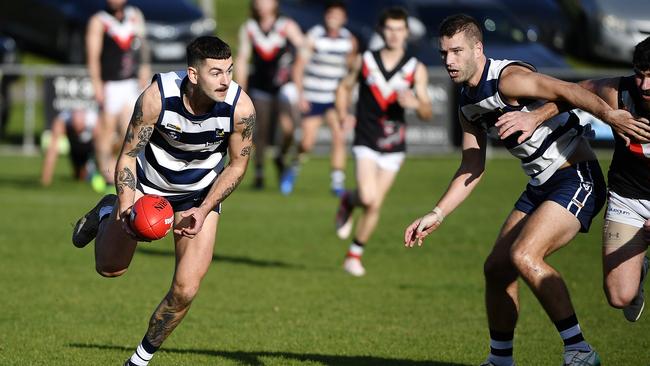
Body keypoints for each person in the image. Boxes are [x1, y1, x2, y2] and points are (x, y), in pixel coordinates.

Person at [403, 14, 650, 366]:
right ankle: (500, 359)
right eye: (444, 53)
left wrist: (605, 116)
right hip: (541, 185)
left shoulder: (509, 80)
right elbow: (472, 166)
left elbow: (569, 90)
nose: (449, 61)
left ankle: (579, 350)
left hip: (577, 176)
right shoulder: (466, 104)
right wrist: (437, 212)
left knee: (524, 255)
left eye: (457, 51)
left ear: (478, 49)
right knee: (497, 269)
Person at [71, 36, 255, 366]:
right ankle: (108, 209)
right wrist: (128, 205)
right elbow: (128, 155)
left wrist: (204, 208)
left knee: (185, 289)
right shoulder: (158, 97)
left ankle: (138, 361)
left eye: (229, 71)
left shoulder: (241, 109)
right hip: (147, 188)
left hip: (199, 194)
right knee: (110, 269)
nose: (225, 80)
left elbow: (238, 165)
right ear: (193, 74)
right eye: (216, 72)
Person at [509, 37, 650, 323]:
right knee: (619, 296)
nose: (644, 86)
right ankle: (639, 272)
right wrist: (537, 116)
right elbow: (575, 92)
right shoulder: (619, 92)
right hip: (629, 198)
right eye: (640, 75)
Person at [335, 7, 432, 277]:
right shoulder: (365, 60)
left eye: (399, 29)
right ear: (381, 31)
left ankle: (354, 255)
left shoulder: (416, 68)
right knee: (367, 197)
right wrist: (344, 115)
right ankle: (348, 199)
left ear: (406, 33)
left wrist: (416, 103)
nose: (394, 35)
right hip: (366, 137)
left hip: (394, 144)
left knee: (375, 203)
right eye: (389, 29)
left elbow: (427, 111)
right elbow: (344, 87)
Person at [279, 0, 358, 196]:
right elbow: (298, 67)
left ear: (344, 18)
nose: (333, 18)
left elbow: (351, 72)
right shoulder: (314, 36)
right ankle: (293, 168)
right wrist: (301, 95)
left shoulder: (349, 41)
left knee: (339, 136)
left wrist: (346, 100)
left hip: (334, 98)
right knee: (307, 142)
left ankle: (337, 183)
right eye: (330, 14)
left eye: (337, 15)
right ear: (325, 16)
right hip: (314, 95)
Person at [234, 0, 303, 189]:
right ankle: (259, 172)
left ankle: (280, 156)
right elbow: (242, 59)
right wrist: (241, 90)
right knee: (259, 132)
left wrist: (297, 70)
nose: (262, 4)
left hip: (283, 85)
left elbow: (304, 49)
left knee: (288, 128)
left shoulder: (286, 25)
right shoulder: (250, 28)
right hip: (260, 86)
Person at [86, 0, 150, 192]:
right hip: (110, 84)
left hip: (130, 83)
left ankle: (124, 175)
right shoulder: (99, 21)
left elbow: (143, 45)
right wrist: (96, 84)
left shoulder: (134, 15)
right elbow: (93, 56)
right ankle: (105, 174)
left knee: (128, 132)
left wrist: (145, 67)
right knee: (106, 132)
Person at [40, 108, 98, 186]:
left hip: (89, 147)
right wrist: (45, 180)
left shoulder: (95, 120)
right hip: (74, 146)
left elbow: (102, 149)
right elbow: (52, 148)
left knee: (84, 176)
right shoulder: (63, 119)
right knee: (78, 175)